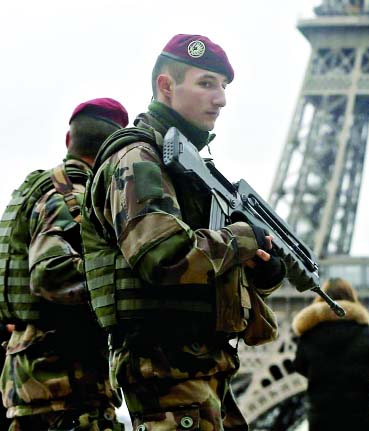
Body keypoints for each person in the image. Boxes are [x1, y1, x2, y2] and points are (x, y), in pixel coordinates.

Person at [80, 34, 286, 431]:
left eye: (224, 87)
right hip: (166, 366)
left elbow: (206, 267)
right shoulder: (138, 158)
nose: (221, 99)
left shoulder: (184, 166)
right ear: (166, 86)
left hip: (196, 364)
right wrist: (245, 238)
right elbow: (166, 257)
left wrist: (262, 268)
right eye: (207, 83)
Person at [0, 98, 129, 430]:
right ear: (112, 153)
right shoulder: (72, 195)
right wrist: (126, 277)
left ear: (69, 141)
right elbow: (50, 274)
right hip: (68, 388)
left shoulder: (39, 191)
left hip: (35, 381)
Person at [292, 278, 369, 431]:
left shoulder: (309, 333)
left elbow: (299, 365)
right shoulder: (365, 332)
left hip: (322, 415)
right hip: (360, 414)